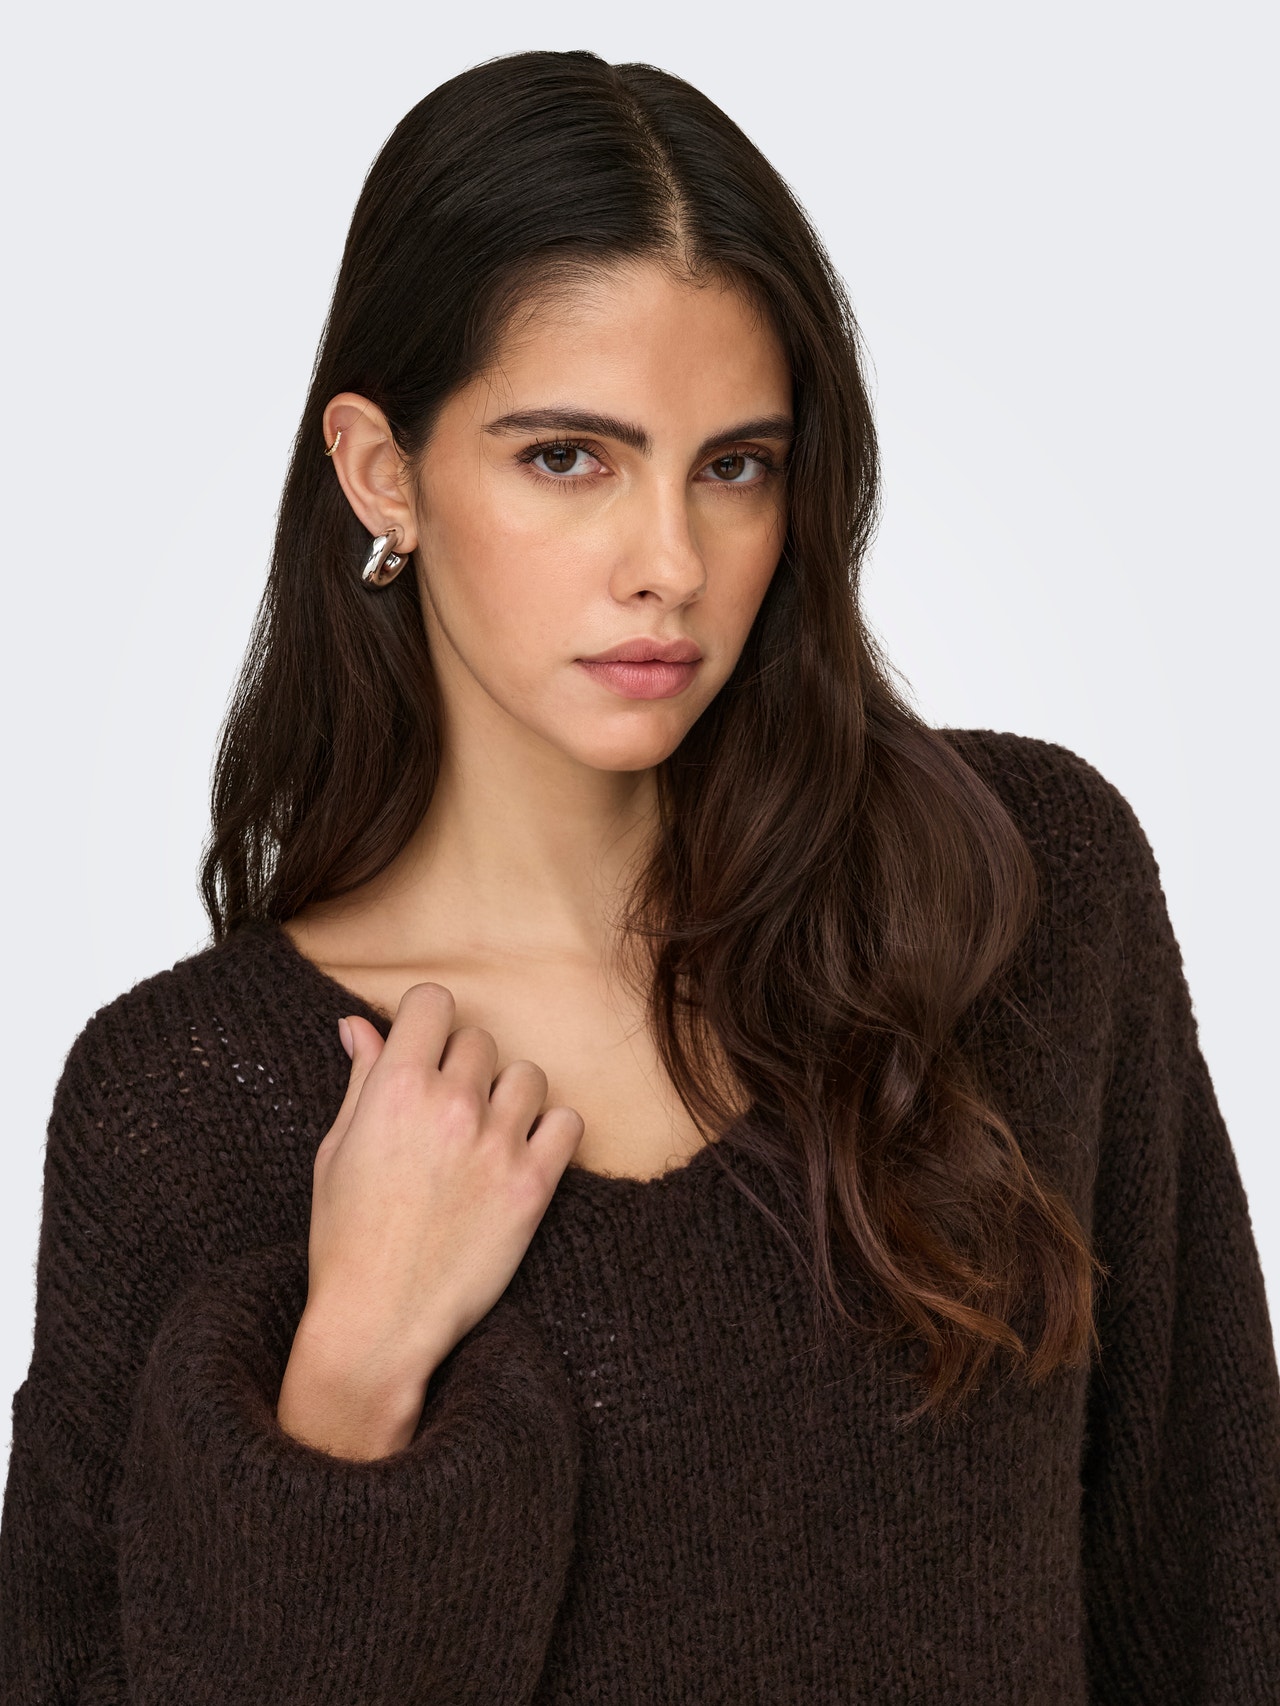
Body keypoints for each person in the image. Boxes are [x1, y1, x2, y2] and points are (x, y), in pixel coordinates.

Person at [2, 46, 1277, 1705]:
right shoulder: (184, 1108)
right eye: (567, 458)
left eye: (734, 465)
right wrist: (347, 1381)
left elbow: (1218, 1599)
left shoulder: (1017, 900)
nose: (669, 563)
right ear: (382, 471)